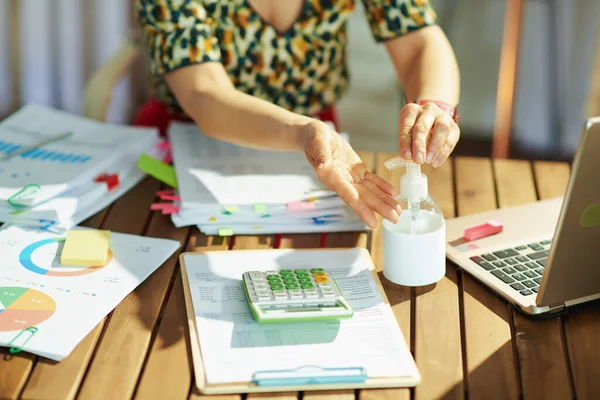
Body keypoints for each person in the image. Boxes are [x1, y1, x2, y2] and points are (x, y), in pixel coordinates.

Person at [133, 0, 460, 229]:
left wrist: (436, 107)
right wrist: (300, 132)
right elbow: (204, 95)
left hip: (318, 148)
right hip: (181, 151)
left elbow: (419, 40)